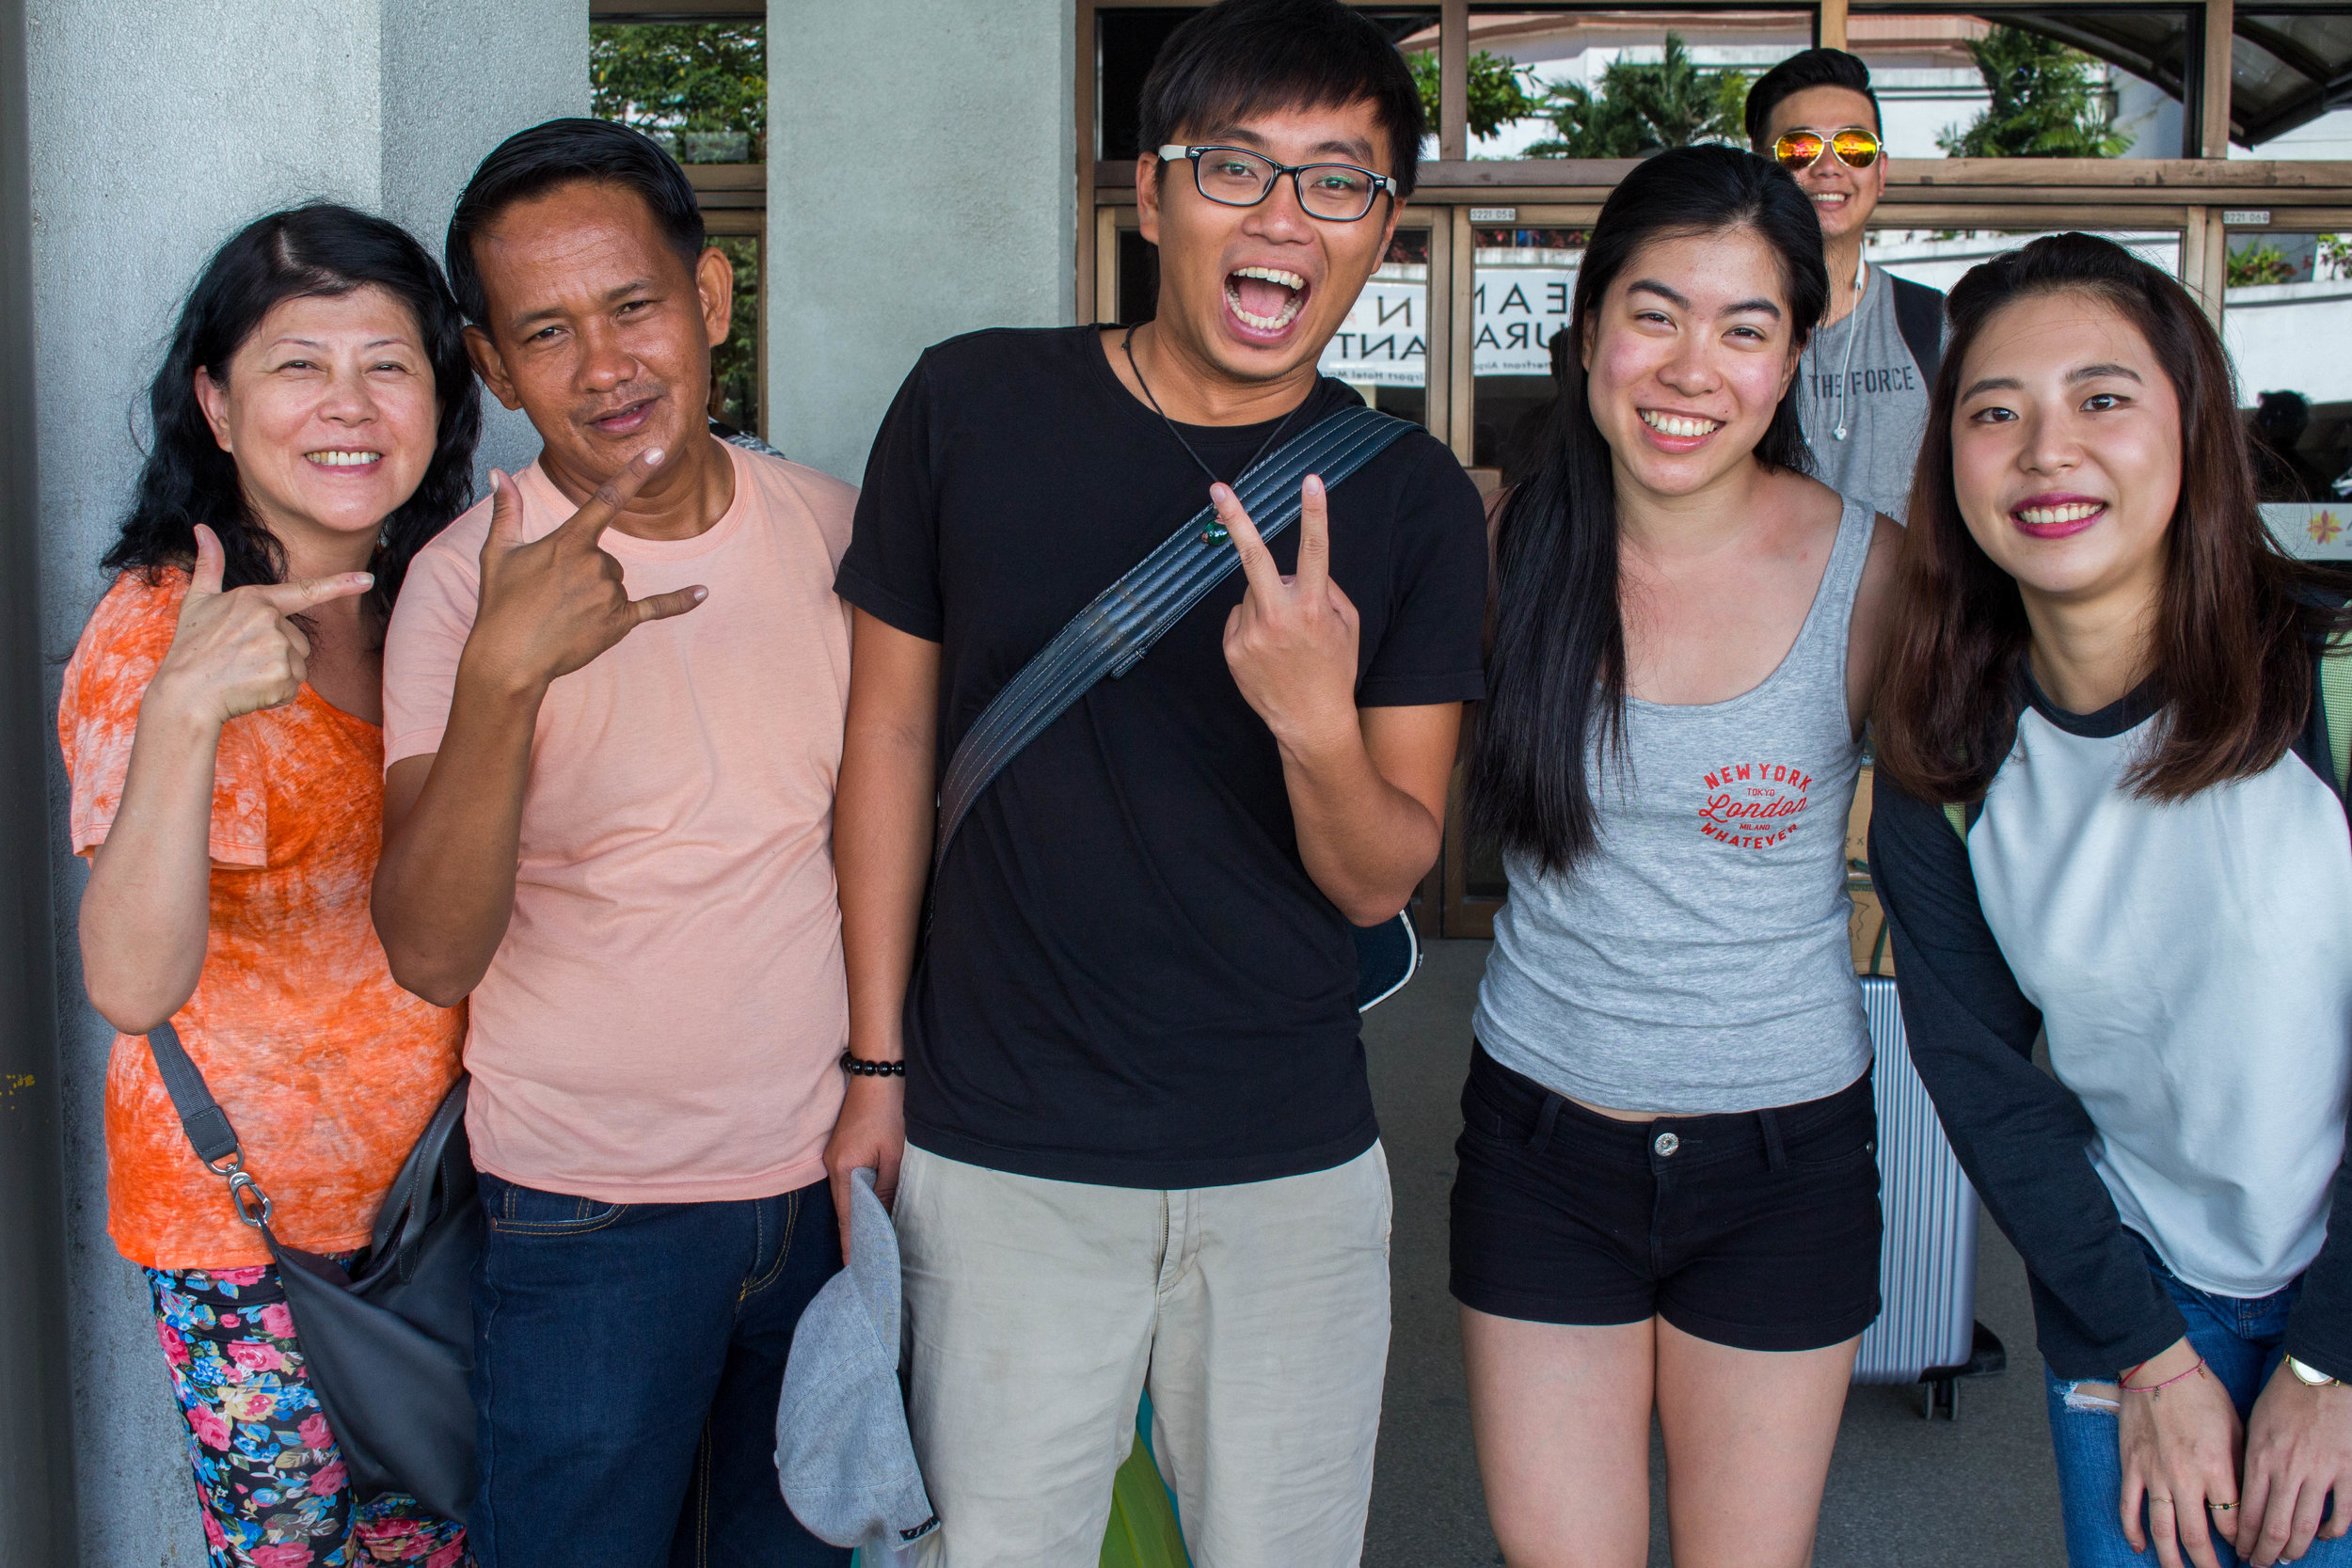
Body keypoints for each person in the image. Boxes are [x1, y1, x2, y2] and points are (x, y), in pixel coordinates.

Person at [825, 0, 1486, 1560]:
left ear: (1384, 227)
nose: (1285, 218)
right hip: (1000, 1154)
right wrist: (871, 1064)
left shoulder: (1408, 503)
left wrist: (1315, 721)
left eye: (1340, 180)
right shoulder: (972, 407)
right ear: (1151, 194)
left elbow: (1382, 871)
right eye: (1237, 168)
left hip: (1289, 1166)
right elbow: (889, 744)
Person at [369, 119, 856, 1568]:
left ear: (709, 301)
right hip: (587, 1214)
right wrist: (506, 677)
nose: (606, 365)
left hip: (825, 1189)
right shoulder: (465, 586)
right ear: (492, 365)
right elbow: (430, 948)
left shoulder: (838, 533)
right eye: (548, 332)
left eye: (634, 305)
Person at [1869, 232, 2352, 1568]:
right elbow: (1988, 1089)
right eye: (1995, 411)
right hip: (2130, 1286)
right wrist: (2150, 1354)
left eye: (2102, 398)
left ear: (2193, 422)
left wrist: (2326, 1368)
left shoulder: (2329, 686)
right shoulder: (1946, 759)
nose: (2045, 450)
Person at [1455, 144, 1905, 1568]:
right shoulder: (1494, 542)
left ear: (1793, 356)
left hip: (1786, 1153)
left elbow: (1988, 849)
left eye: (1744, 326)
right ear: (1589, 329)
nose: (1690, 367)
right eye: (1656, 313)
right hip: (1540, 1142)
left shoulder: (1877, 575)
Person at [57, 203, 481, 1567]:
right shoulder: (154, 632)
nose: (348, 406)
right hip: (252, 1236)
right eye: (300, 364)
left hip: (448, 1199)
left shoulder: (436, 593)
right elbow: (128, 980)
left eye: (389, 363)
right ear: (217, 402)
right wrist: (185, 709)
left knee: (450, 1542)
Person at [1746, 47, 1946, 522]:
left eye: (1854, 146)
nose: (1829, 166)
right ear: (1759, 168)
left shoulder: (1936, 326)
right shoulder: (1724, 326)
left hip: (1904, 598)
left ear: (1880, 173)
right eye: (1800, 148)